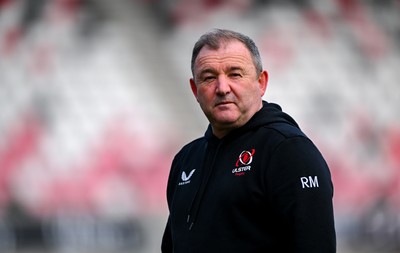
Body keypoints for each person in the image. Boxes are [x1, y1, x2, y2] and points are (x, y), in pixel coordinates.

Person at [161, 28, 336, 253]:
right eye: (209, 77)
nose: (222, 88)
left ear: (261, 83)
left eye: (235, 74)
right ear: (195, 89)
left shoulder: (288, 151)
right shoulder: (186, 160)